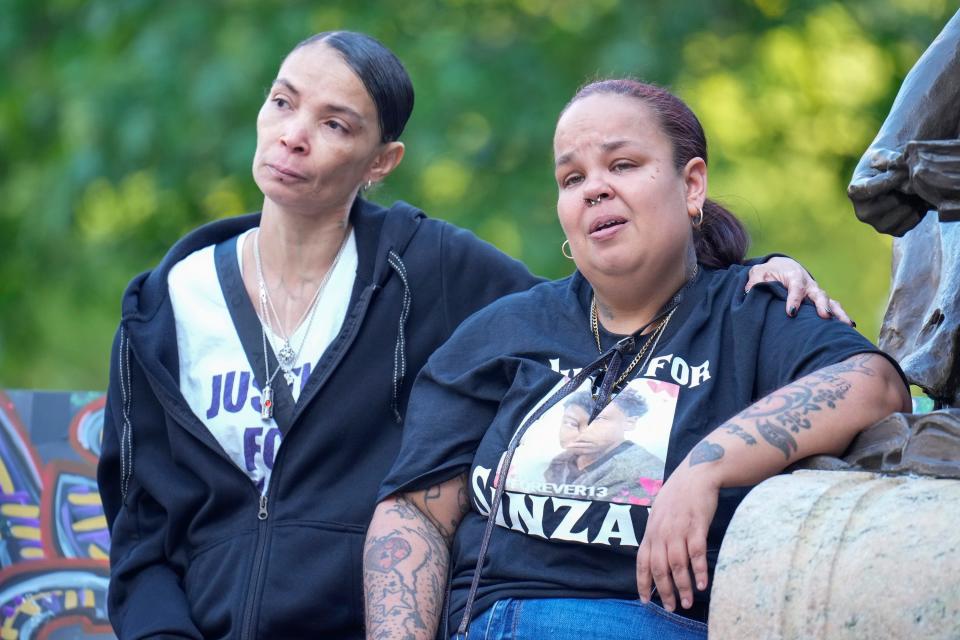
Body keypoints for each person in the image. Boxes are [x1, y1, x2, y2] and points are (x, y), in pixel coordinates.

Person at [96, 31, 848, 639]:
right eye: (282, 103)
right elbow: (142, 533)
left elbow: (631, 297)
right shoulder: (163, 309)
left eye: (334, 123)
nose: (295, 137)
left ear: (381, 162)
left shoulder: (437, 271)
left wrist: (761, 270)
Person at [363, 79, 910, 640]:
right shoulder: (505, 330)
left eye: (622, 164)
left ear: (692, 183)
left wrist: (706, 466)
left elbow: (874, 384)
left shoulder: (750, 311)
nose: (594, 189)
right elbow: (416, 514)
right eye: (572, 178)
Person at [542, 388, 664, 505]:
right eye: (571, 422)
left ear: (629, 422)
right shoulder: (561, 461)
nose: (583, 432)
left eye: (598, 420)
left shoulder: (643, 474)